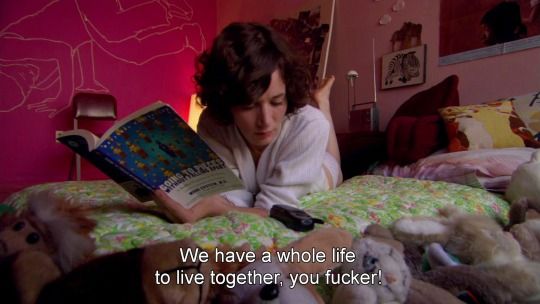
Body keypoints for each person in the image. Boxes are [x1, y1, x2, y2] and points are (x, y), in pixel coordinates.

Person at [153, 22, 342, 223]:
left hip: (318, 171)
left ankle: (323, 103)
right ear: (227, 102)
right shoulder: (212, 123)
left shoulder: (309, 125)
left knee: (331, 159)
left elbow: (273, 209)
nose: (265, 121)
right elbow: (232, 194)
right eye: (248, 106)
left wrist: (217, 209)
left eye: (276, 101)